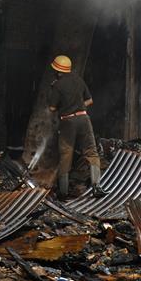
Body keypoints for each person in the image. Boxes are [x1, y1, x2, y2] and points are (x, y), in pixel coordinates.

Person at [47, 55, 100, 199]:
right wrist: (79, 107)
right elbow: (90, 100)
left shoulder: (57, 85)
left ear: (58, 71)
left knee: (66, 155)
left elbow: (52, 108)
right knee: (91, 152)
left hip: (68, 122)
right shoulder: (79, 80)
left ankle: (63, 193)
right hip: (84, 119)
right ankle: (97, 187)